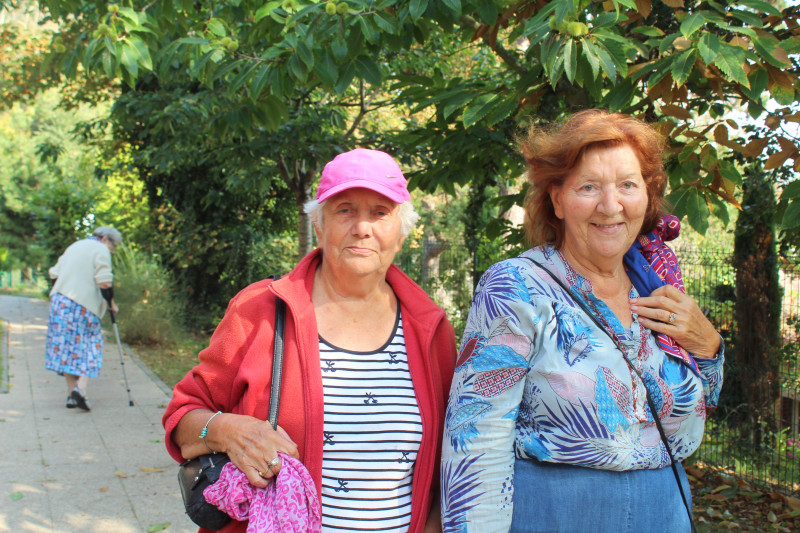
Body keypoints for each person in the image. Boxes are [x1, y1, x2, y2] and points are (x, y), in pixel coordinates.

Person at [440, 110, 724, 532]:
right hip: (556, 513)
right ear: (557, 199)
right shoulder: (517, 286)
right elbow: (475, 438)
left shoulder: (658, 284)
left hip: (665, 510)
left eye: (627, 185)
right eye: (589, 187)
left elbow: (705, 402)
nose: (610, 206)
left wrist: (710, 349)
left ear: (646, 195)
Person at [164, 148, 457, 533]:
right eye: (345, 210)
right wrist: (228, 430)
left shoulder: (431, 329)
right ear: (319, 225)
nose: (362, 228)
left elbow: (445, 470)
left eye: (380, 213)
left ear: (401, 234)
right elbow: (181, 419)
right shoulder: (261, 310)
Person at [45, 226, 122, 411]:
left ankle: (72, 394)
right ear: (104, 238)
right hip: (82, 305)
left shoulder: (75, 246)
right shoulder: (101, 249)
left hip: (60, 302)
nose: (113, 250)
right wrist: (111, 304)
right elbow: (104, 281)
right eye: (113, 245)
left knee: (66, 349)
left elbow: (53, 272)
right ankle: (81, 388)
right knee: (91, 345)